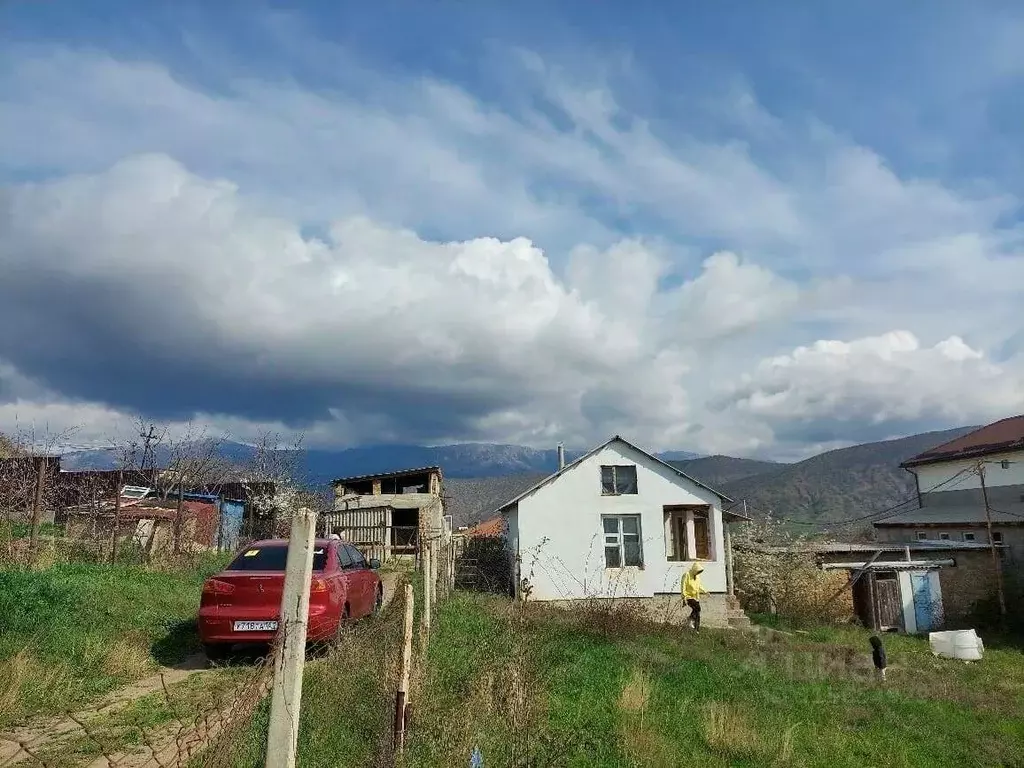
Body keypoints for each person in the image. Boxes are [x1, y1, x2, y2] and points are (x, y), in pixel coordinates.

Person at [681, 563, 708, 631]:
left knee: (697, 613)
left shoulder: (697, 577)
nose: (698, 573)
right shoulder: (686, 575)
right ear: (694, 569)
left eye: (699, 572)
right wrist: (684, 597)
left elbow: (699, 586)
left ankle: (696, 630)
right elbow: (683, 586)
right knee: (698, 608)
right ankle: (690, 619)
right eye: (698, 571)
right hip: (688, 597)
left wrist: (705, 591)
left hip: (696, 597)